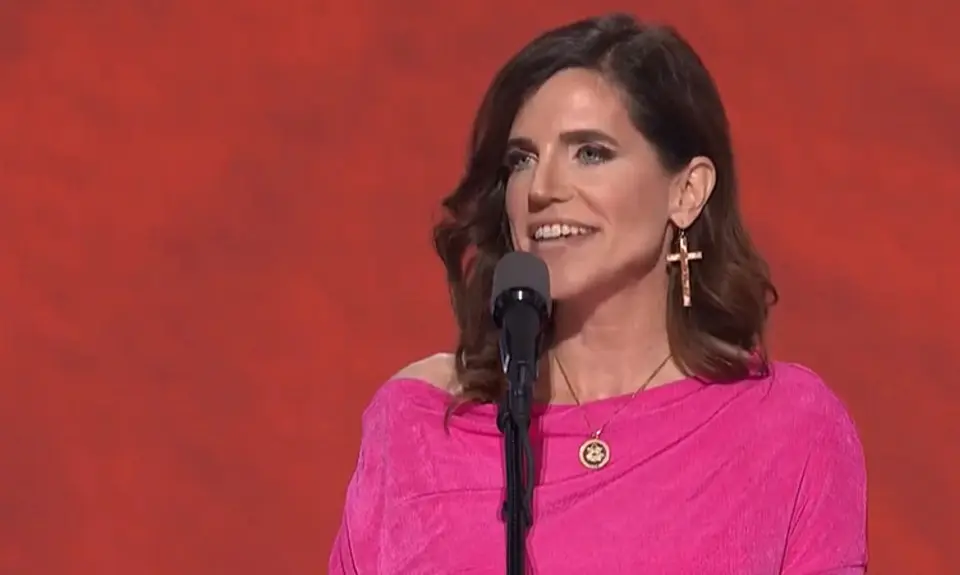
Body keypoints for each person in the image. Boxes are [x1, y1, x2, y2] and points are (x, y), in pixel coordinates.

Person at [329, 13, 867, 575]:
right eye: (522, 160)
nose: (542, 190)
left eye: (590, 153)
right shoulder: (421, 422)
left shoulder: (788, 429)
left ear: (687, 192)